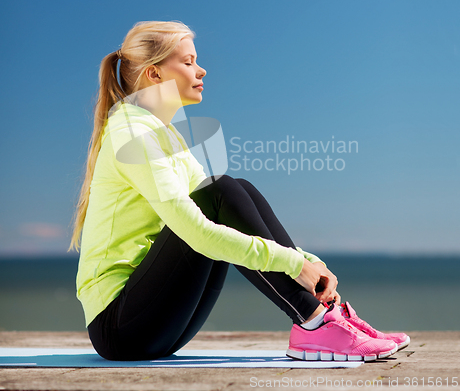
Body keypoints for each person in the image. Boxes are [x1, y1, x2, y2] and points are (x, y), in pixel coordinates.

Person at [69, 20, 409, 362]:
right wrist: (293, 264)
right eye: (187, 62)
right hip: (120, 328)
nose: (201, 70)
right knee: (221, 191)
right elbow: (197, 232)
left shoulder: (166, 134)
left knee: (233, 189)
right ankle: (314, 323)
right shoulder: (131, 132)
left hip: (155, 325)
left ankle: (324, 315)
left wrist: (309, 264)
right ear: (154, 75)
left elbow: (225, 217)